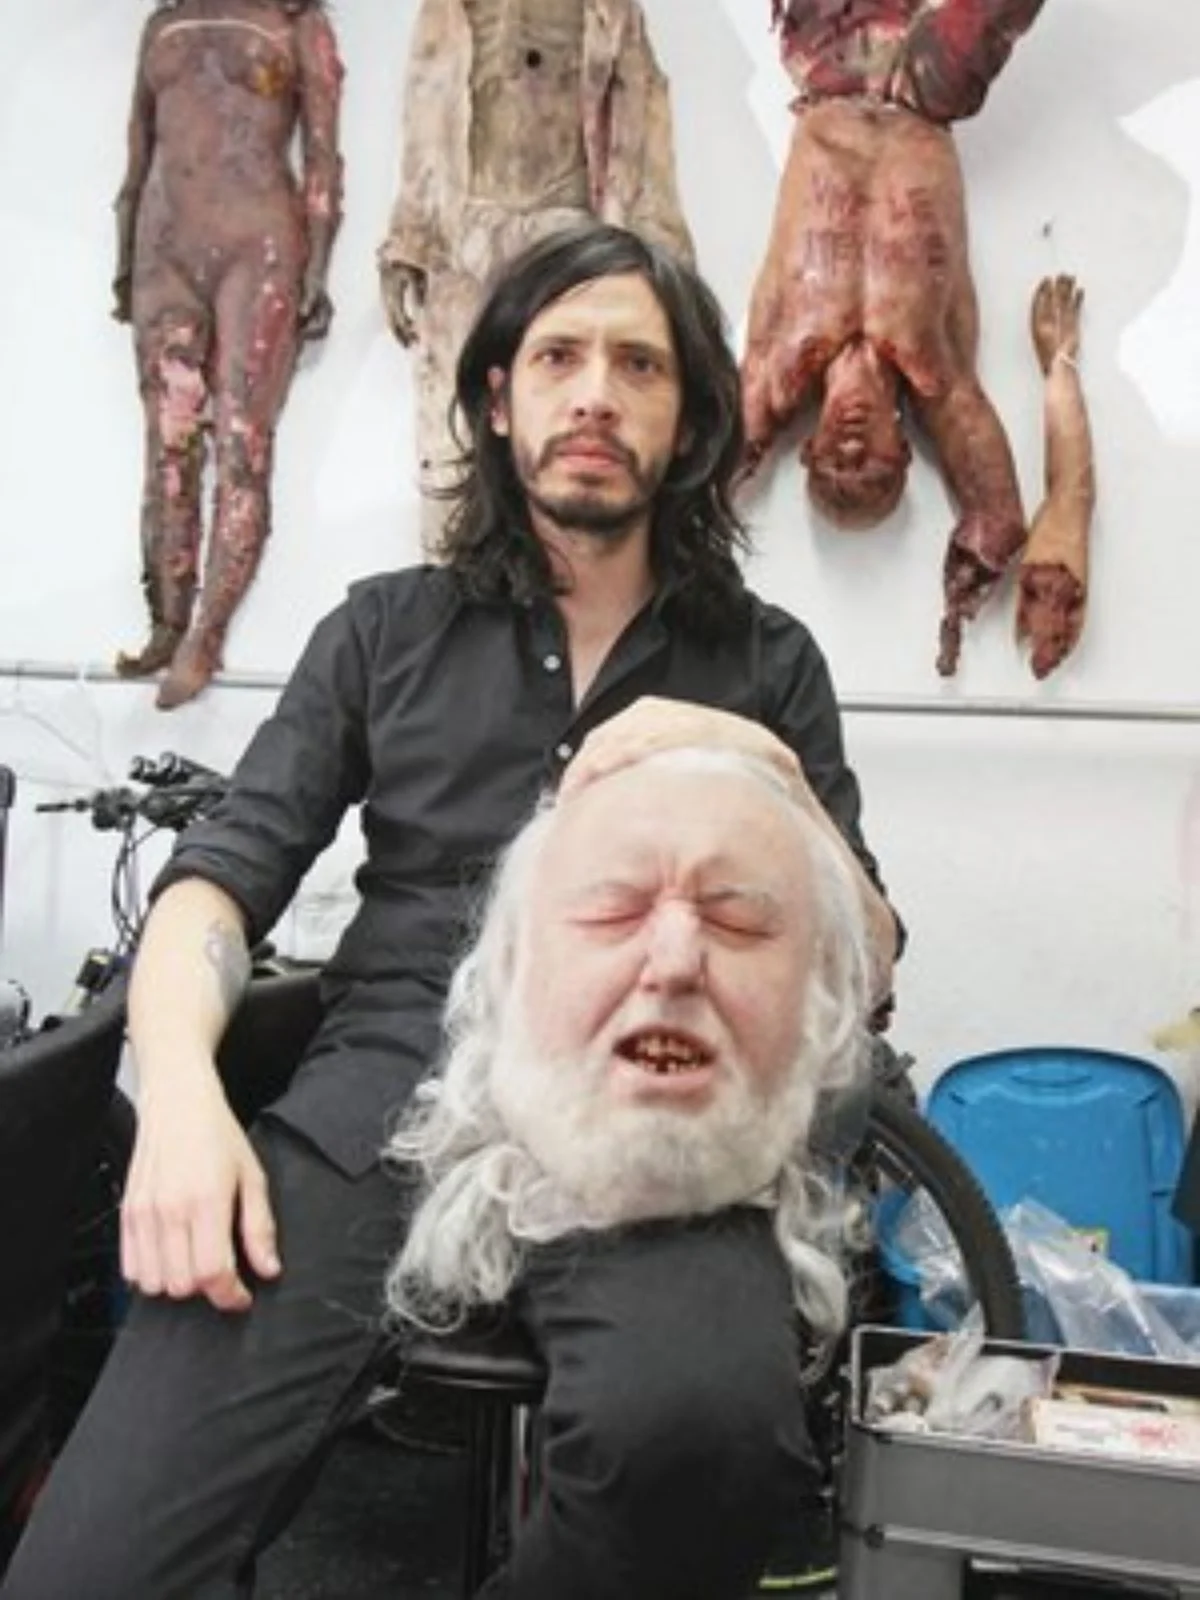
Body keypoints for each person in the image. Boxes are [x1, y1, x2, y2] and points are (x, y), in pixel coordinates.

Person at [2, 221, 898, 1600]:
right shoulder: (382, 631)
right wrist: (178, 1099)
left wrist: (750, 757)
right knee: (88, 1575)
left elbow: (867, 963)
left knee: (705, 1445)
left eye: (639, 365)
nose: (594, 393)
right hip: (378, 1115)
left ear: (687, 422)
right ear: (497, 399)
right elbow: (215, 886)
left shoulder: (767, 663)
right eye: (558, 357)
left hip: (646, 1134)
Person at [387, 745, 873, 1594]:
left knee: (695, 1416)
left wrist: (776, 772)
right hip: (452, 1121)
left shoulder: (779, 685)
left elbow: (878, 943)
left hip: (730, 1202)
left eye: (739, 921)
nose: (676, 962)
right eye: (613, 910)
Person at [739, 0, 1046, 675]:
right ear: (903, 450)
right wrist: (959, 603)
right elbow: (998, 516)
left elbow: (691, 480)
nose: (850, 449)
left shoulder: (778, 366)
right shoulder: (937, 375)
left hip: (831, 67)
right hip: (925, 96)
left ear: (806, 449)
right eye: (871, 469)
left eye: (833, 467)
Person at [378, 0, 692, 549]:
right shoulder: (449, 8)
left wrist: (661, 259)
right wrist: (411, 233)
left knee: (579, 438)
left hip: (568, 229)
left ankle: (577, 588)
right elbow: (429, 94)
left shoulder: (610, 10)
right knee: (453, 433)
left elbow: (640, 115)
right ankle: (455, 583)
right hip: (468, 233)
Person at [112, 0, 344, 709]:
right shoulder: (165, 22)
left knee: (244, 440)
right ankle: (166, 617)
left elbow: (322, 155)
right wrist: (124, 258)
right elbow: (138, 150)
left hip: (258, 245)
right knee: (168, 443)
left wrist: (316, 266)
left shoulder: (295, 22)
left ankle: (205, 636)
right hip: (164, 246)